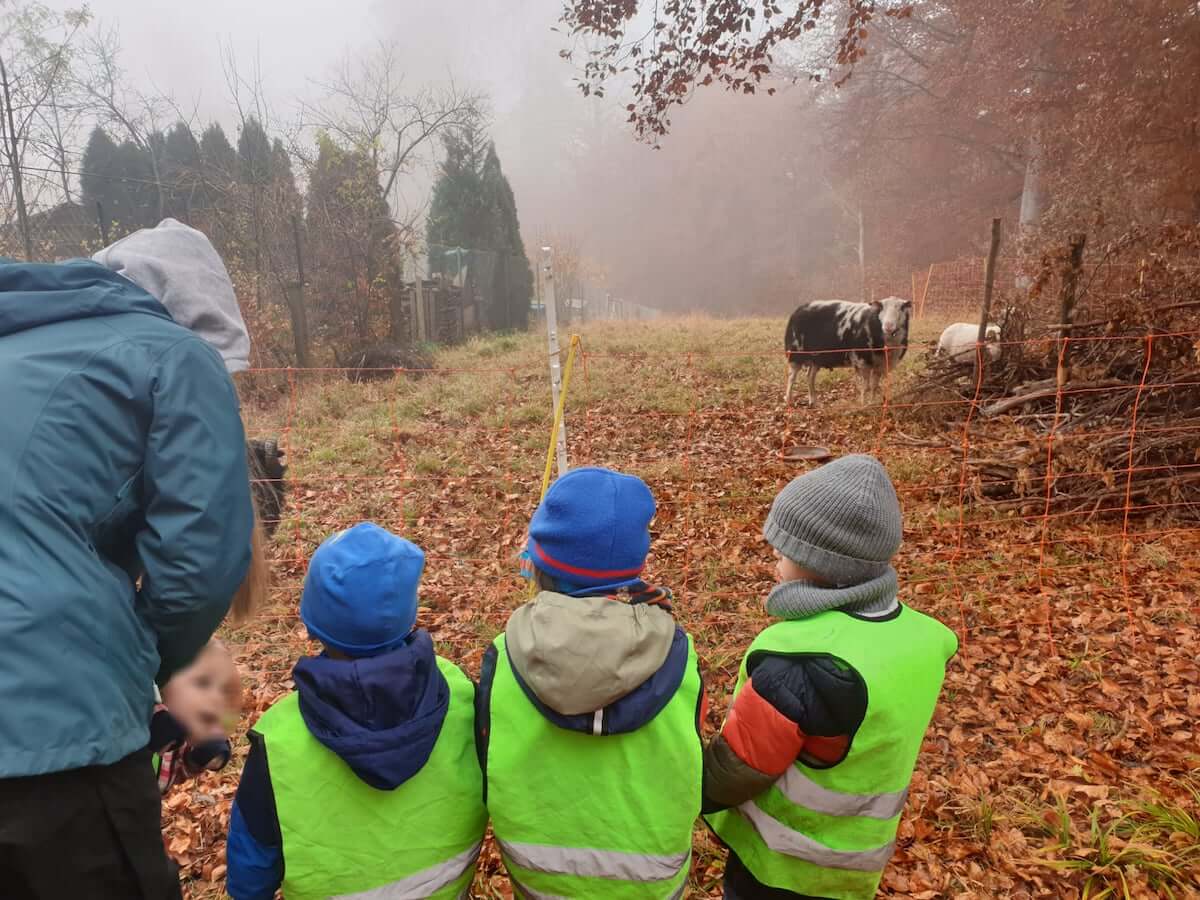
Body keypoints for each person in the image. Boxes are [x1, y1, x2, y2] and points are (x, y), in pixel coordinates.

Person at [0, 218, 266, 900]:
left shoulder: (20, 346)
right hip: (50, 737)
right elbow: (200, 561)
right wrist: (160, 671)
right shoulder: (172, 353)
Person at [703, 455, 958, 900]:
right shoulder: (922, 638)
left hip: (780, 865)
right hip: (853, 865)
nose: (776, 556)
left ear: (823, 564)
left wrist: (683, 793)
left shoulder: (801, 663)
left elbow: (738, 770)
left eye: (786, 549)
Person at [226, 523, 487, 900]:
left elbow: (250, 873)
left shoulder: (279, 742)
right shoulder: (462, 696)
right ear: (409, 612)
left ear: (313, 626)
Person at [477, 467, 705, 899]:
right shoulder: (678, 652)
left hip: (538, 873)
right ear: (633, 567)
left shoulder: (505, 654)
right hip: (653, 875)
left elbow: (485, 751)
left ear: (539, 562)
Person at [151, 639, 241, 795]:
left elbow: (173, 773)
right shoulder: (140, 709)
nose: (216, 697)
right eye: (202, 683)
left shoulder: (189, 725)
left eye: (224, 689)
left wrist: (196, 759)